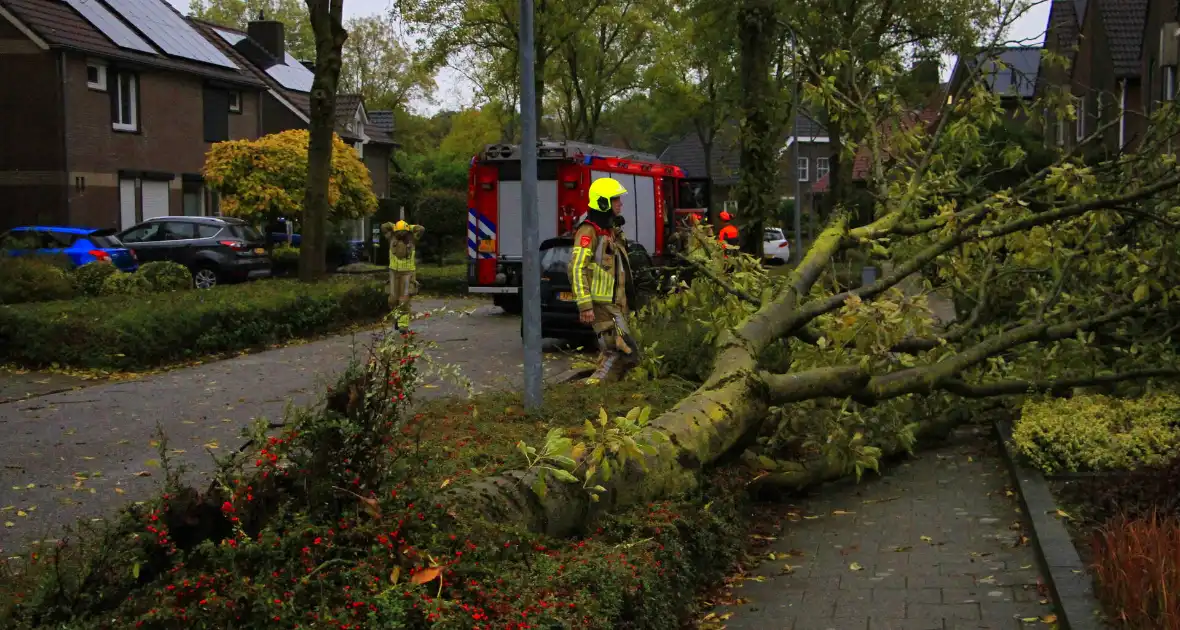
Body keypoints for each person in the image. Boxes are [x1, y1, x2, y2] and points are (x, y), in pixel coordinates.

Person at [569, 177, 639, 384]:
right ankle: (590, 391)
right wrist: (585, 306)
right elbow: (576, 267)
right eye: (615, 199)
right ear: (603, 202)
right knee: (616, 350)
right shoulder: (588, 232)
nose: (620, 203)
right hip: (601, 305)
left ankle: (611, 390)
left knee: (624, 352)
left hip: (615, 303)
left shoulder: (610, 231)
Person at [381, 220, 425, 330]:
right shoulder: (391, 237)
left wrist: (408, 227)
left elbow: (421, 229)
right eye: (398, 232)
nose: (401, 235)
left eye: (403, 232)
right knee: (392, 300)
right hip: (393, 272)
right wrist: (395, 226)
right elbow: (384, 226)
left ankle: (403, 326)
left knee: (403, 301)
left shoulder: (412, 239)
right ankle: (396, 319)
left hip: (407, 273)